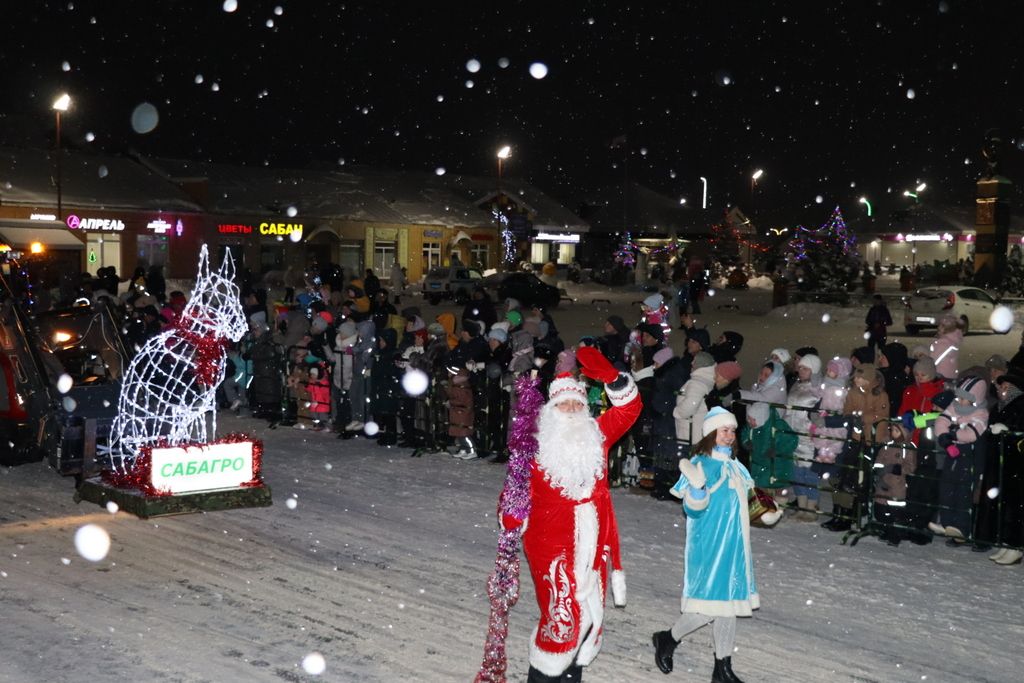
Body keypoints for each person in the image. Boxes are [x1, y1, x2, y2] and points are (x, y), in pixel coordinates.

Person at [501, 347, 641, 682]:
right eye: (564, 404)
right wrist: (511, 522)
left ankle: (570, 676)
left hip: (591, 545)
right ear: (551, 409)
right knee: (562, 620)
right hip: (551, 546)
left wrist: (613, 378)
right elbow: (512, 496)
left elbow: (630, 409)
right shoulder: (534, 448)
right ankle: (543, 676)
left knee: (589, 617)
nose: (572, 410)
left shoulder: (597, 437)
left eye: (578, 404)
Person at [652, 407, 758, 682]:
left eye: (733, 431)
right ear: (711, 433)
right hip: (709, 545)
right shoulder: (700, 464)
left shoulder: (737, 467)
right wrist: (697, 490)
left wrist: (765, 509)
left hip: (734, 547)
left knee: (729, 605)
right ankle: (669, 638)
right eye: (724, 430)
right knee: (709, 608)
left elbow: (748, 502)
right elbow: (693, 509)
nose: (730, 436)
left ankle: (722, 668)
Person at [865, 294, 893, 360]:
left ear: (880, 301)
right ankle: (870, 361)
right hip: (872, 332)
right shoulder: (872, 309)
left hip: (881, 333)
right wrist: (872, 324)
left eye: (876, 301)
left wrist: (881, 323)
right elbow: (867, 320)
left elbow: (889, 322)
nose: (875, 302)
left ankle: (881, 362)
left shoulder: (884, 310)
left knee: (881, 350)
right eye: (874, 301)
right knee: (870, 349)